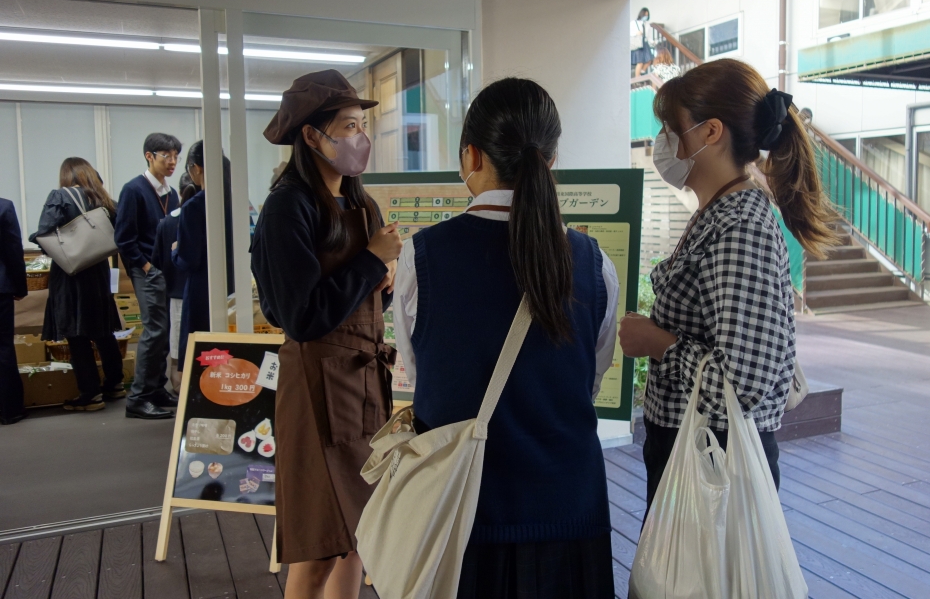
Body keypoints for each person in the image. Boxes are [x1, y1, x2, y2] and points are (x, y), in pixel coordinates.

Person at [392, 78, 620, 598]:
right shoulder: (593, 262)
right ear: (552, 159)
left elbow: (422, 371)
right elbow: (590, 377)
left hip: (459, 516)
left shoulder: (421, 258)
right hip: (569, 512)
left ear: (471, 156)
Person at [617, 59, 837, 510]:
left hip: (713, 464)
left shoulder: (741, 226)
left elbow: (741, 386)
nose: (664, 142)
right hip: (695, 451)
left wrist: (656, 342)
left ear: (711, 132)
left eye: (672, 129)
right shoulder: (718, 211)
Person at [251, 69, 402, 599]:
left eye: (363, 125)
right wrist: (370, 263)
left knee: (361, 536)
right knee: (318, 546)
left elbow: (366, 299)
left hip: (363, 388)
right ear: (312, 136)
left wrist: (382, 281)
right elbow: (301, 316)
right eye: (348, 126)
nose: (360, 137)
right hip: (315, 392)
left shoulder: (362, 204)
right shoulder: (286, 207)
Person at [29, 158, 124, 412]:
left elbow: (44, 233)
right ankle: (115, 384)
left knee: (77, 334)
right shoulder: (104, 199)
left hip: (71, 275)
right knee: (103, 331)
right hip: (99, 273)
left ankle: (90, 394)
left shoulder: (60, 197)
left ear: (66, 175)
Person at [114, 133, 181, 419]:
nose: (173, 161)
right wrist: (146, 267)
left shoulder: (171, 193)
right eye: (166, 156)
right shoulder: (134, 190)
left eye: (176, 156)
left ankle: (155, 388)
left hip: (166, 270)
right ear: (149, 156)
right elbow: (123, 238)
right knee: (154, 330)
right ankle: (138, 398)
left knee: (164, 332)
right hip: (147, 270)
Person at [172, 141, 234, 368]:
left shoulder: (194, 207)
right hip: (234, 285)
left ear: (196, 168)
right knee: (232, 349)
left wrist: (175, 252)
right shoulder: (237, 202)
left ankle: (206, 386)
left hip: (203, 288)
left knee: (203, 353)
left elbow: (189, 259)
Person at [151, 175, 197, 391]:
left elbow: (157, 261)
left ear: (179, 193)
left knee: (179, 345)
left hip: (177, 293)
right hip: (209, 293)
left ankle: (181, 390)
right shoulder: (210, 218)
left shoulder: (167, 222)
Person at [0, 197, 27, 425]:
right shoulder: (3, 207)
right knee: (3, 346)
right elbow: (13, 249)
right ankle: (10, 410)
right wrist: (20, 286)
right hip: (0, 288)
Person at [631, 7, 655, 78]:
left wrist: (652, 42)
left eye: (647, 15)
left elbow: (649, 36)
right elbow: (629, 32)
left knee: (649, 60)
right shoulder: (634, 23)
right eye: (645, 15)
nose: (646, 16)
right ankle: (637, 78)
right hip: (638, 43)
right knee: (640, 62)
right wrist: (636, 33)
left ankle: (641, 72)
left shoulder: (647, 24)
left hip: (645, 43)